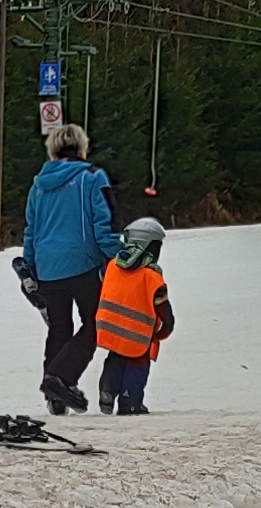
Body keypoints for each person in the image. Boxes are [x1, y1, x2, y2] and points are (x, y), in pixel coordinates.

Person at [20, 121, 119, 411]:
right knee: (95, 324)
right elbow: (105, 224)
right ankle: (60, 378)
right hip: (83, 265)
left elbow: (31, 230)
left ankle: (55, 397)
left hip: (48, 268)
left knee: (59, 329)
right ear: (82, 147)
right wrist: (118, 256)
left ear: (52, 151)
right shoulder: (92, 178)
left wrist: (30, 266)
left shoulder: (38, 186)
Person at [94, 215, 176, 415]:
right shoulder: (151, 276)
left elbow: (104, 280)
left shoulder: (112, 265)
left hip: (110, 328)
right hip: (139, 334)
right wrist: (166, 327)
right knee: (137, 366)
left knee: (115, 358)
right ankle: (130, 402)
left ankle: (107, 389)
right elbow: (162, 308)